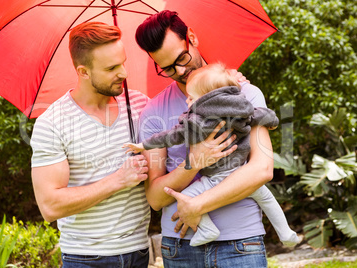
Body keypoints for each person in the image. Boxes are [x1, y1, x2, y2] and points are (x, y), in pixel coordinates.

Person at [135, 10, 289, 267]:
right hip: (180, 248)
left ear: (192, 38)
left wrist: (198, 204)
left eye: (182, 58)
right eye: (168, 68)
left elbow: (262, 169)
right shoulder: (153, 112)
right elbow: (155, 197)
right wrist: (193, 163)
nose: (181, 70)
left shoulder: (244, 93)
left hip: (241, 244)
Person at [123, 63, 300, 247]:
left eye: (191, 98)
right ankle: (286, 233)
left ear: (207, 100)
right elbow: (261, 115)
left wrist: (142, 144)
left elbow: (170, 136)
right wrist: (273, 121)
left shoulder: (196, 122)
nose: (187, 102)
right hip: (240, 175)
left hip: (214, 180)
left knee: (186, 198)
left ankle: (207, 229)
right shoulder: (241, 110)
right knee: (267, 199)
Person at [30, 21, 151, 268]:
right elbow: (50, 206)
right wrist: (118, 180)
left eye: (124, 62)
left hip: (139, 252)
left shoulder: (140, 105)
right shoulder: (52, 123)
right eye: (112, 68)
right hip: (86, 259)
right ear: (83, 72)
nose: (124, 73)